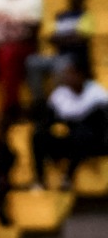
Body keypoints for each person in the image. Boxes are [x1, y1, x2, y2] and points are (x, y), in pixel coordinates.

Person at [30, 61, 108, 191]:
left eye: (71, 74)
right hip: (68, 138)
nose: (67, 77)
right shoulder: (59, 94)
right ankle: (40, 180)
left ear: (81, 75)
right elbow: (49, 120)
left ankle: (68, 177)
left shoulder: (97, 94)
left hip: (92, 141)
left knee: (83, 133)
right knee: (38, 135)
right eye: (66, 74)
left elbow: (102, 123)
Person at [28, 0, 96, 107]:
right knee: (33, 62)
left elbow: (81, 39)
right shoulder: (61, 16)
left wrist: (62, 39)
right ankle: (39, 103)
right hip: (58, 55)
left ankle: (58, 105)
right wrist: (67, 38)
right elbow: (51, 37)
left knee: (60, 66)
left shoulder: (86, 16)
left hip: (75, 58)